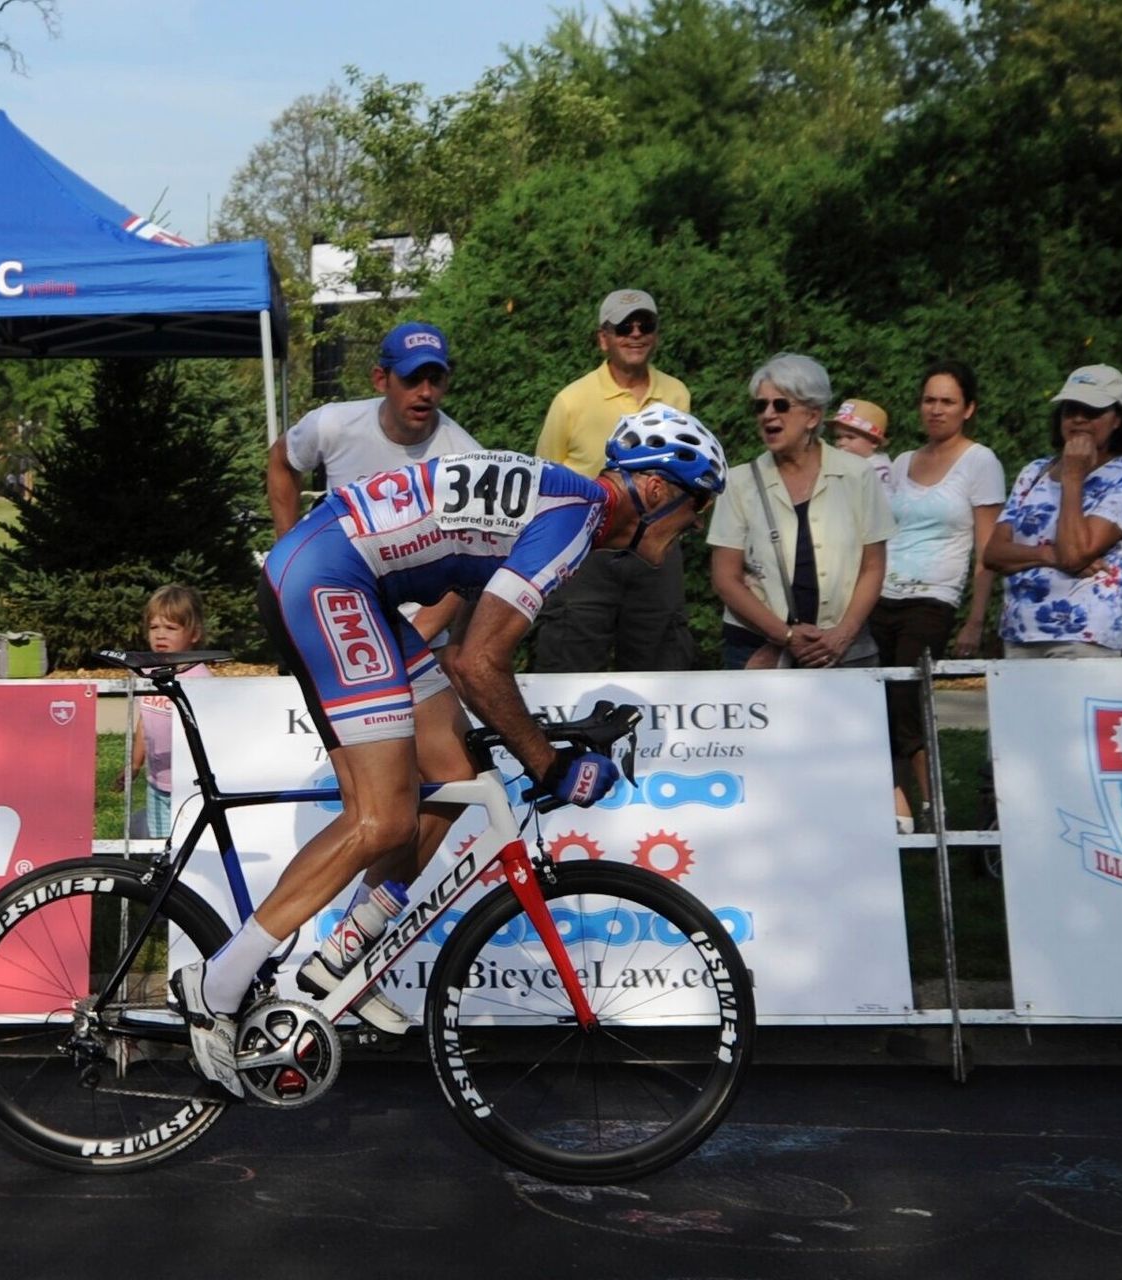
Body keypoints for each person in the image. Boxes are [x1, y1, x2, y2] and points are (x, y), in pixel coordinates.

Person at [171, 409, 729, 1095]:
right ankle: (216, 984)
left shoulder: (567, 504)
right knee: (382, 819)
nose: (694, 525)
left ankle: (341, 959)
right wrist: (549, 764)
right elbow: (476, 662)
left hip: (347, 578)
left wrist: (535, 741)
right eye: (696, 507)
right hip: (330, 579)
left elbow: (460, 610)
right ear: (656, 490)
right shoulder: (575, 520)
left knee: (456, 770)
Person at [530, 288, 697, 673]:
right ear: (603, 338)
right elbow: (544, 483)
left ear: (656, 334)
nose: (635, 334)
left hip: (655, 550)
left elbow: (686, 473)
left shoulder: (676, 395)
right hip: (586, 552)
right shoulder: (571, 401)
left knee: (660, 671)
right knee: (568, 667)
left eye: (645, 325)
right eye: (624, 327)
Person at [868, 363, 1006, 830]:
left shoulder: (980, 462)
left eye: (948, 401)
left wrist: (975, 620)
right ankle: (894, 806)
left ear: (968, 409)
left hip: (933, 599)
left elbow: (987, 550)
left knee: (907, 700)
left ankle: (933, 807)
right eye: (929, 399)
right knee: (876, 700)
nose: (936, 409)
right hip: (882, 595)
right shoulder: (903, 461)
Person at [708, 353, 893, 669]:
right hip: (757, 650)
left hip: (844, 650)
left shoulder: (858, 475)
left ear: (812, 416)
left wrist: (843, 634)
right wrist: (786, 635)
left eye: (780, 405)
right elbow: (726, 578)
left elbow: (873, 567)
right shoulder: (738, 482)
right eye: (760, 406)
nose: (768, 414)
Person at [984, 364, 1122, 658]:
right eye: (1070, 409)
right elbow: (994, 553)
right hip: (1019, 632)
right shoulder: (1034, 471)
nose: (1079, 419)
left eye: (1092, 411)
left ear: (1117, 420)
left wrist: (1073, 476)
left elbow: (1075, 554)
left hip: (1083, 635)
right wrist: (1049, 555)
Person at [265, 321, 482, 539]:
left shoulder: (468, 462)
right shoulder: (333, 425)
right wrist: (288, 547)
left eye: (435, 380)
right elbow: (281, 459)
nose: (426, 392)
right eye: (412, 379)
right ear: (380, 380)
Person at [128, 584, 213, 838]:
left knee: (185, 841)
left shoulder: (199, 679)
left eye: (171, 628)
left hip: (189, 785)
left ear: (194, 634)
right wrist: (134, 764)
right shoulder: (147, 674)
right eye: (154, 627)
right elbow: (145, 721)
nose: (160, 635)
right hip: (156, 783)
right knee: (159, 842)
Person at [828, 398, 894, 493]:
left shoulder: (877, 470)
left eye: (850, 437)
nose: (842, 442)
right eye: (838, 437)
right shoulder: (843, 461)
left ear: (874, 442)